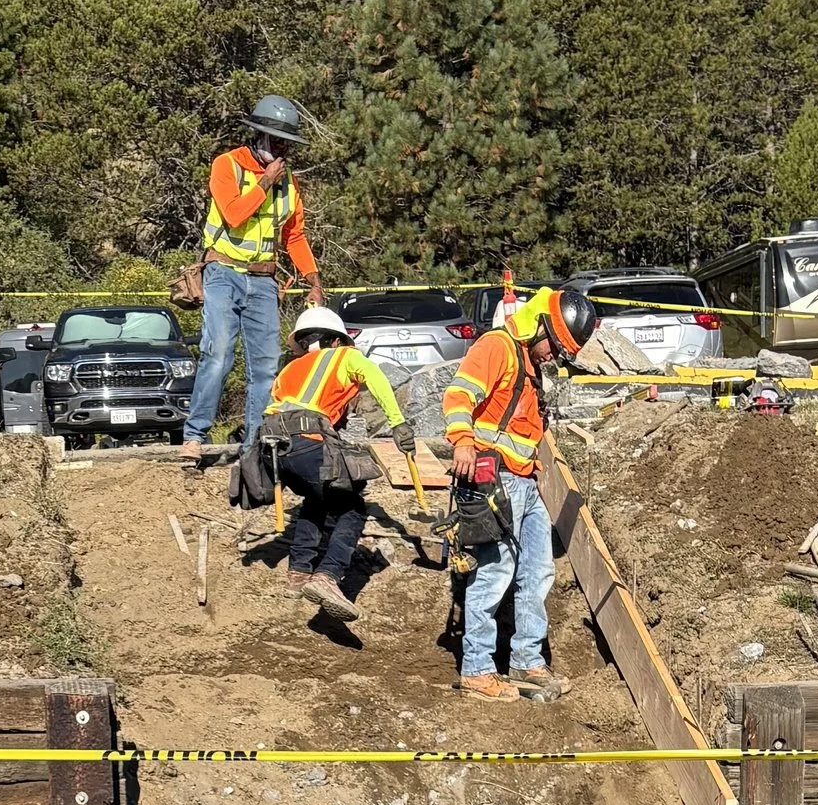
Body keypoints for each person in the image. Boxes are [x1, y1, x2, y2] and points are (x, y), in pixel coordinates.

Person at [440, 280, 598, 700]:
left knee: (538, 571)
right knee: (493, 574)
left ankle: (527, 661)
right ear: (539, 327)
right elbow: (459, 394)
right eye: (554, 348)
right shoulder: (497, 347)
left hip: (524, 481)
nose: (553, 357)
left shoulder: (529, 368)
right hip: (493, 480)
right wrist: (462, 439)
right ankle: (476, 668)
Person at [180, 97, 318, 460]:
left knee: (265, 365)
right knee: (219, 352)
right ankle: (195, 436)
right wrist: (264, 182)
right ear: (258, 136)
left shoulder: (287, 182)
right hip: (223, 273)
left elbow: (294, 235)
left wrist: (312, 278)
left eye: (287, 142)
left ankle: (254, 445)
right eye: (277, 140)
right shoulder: (227, 165)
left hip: (263, 281)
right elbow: (235, 214)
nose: (284, 148)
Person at [256, 303, 406, 617]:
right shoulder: (344, 356)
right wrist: (398, 422)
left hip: (271, 451)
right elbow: (375, 379)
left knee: (317, 496)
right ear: (335, 340)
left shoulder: (289, 370)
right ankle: (329, 575)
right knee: (352, 508)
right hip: (308, 440)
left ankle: (298, 572)